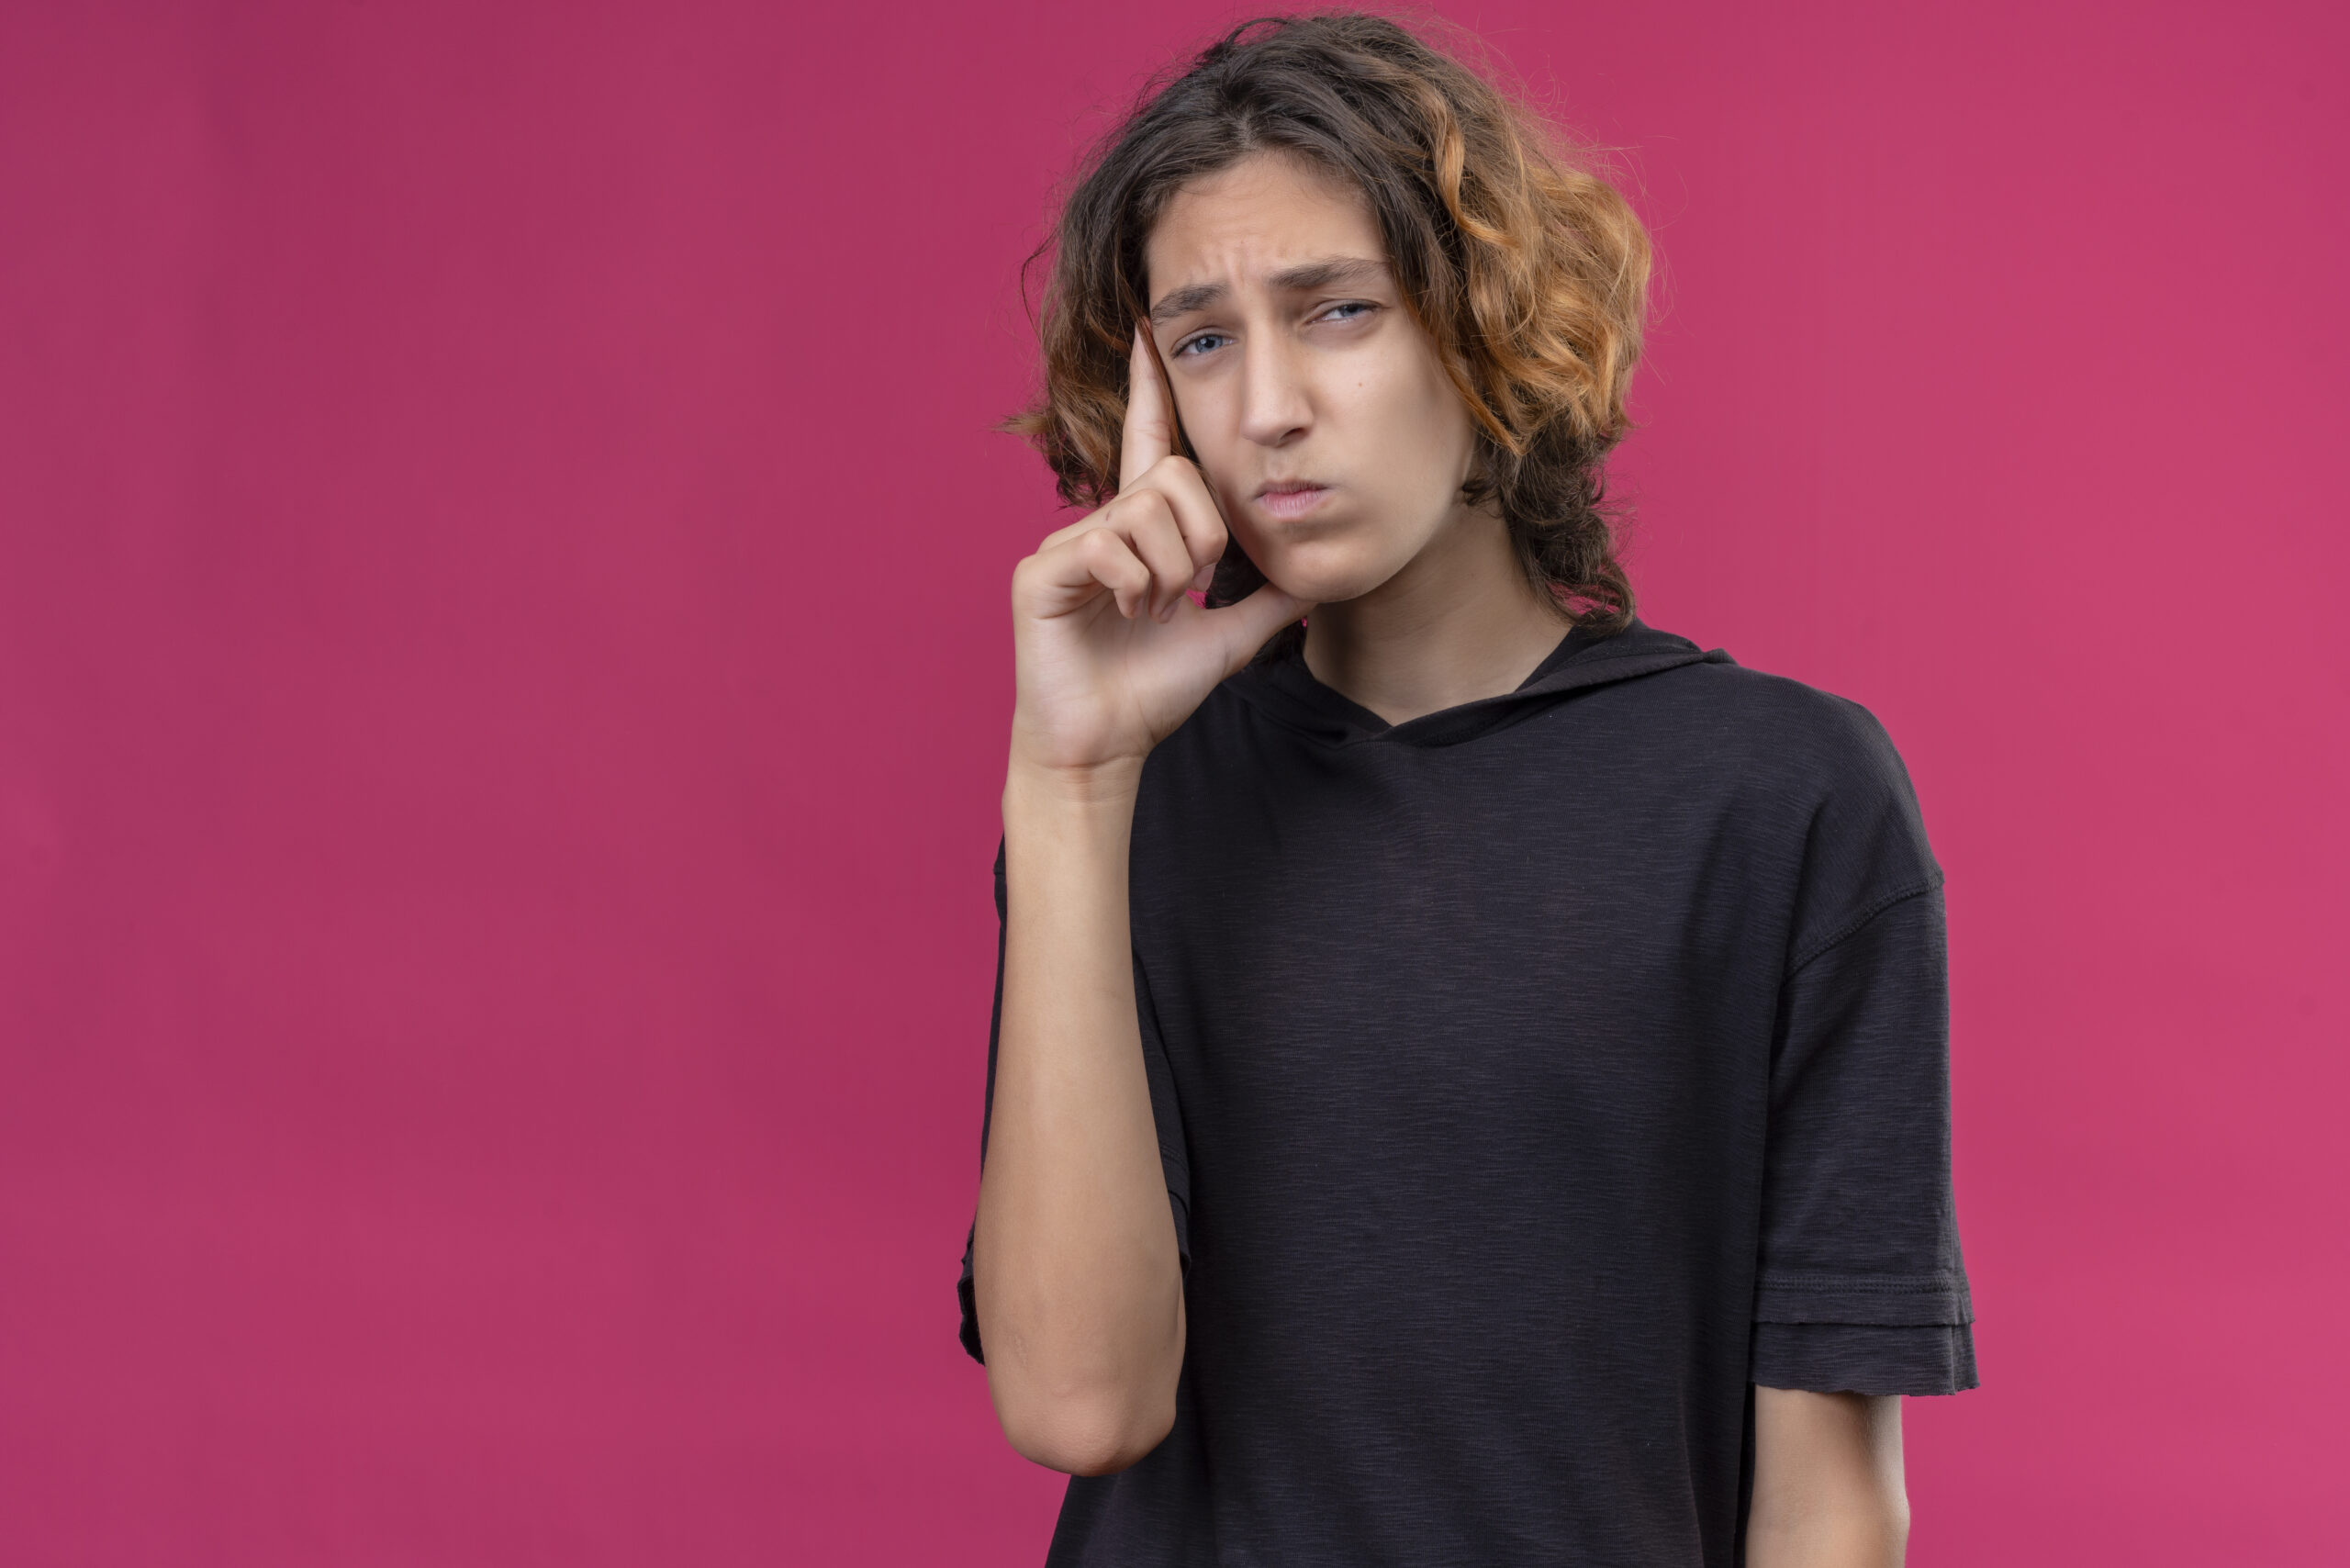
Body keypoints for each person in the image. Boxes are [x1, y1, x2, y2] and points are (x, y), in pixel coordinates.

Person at [956, 14, 1975, 1566]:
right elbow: (1084, 1408)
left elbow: (1829, 1498)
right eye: (1206, 339)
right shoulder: (1122, 800)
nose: (1270, 407)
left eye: (1337, 310)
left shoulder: (1781, 799)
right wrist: (1072, 789)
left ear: (1489, 329)